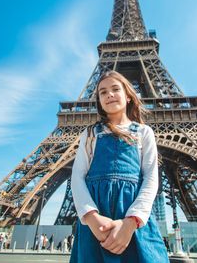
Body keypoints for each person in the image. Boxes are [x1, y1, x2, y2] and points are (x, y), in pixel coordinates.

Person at [70, 71, 169, 262]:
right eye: (103, 92)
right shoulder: (90, 133)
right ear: (99, 100)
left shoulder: (143, 132)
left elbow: (151, 176)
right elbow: (77, 176)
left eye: (116, 89)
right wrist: (91, 217)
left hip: (131, 216)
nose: (109, 94)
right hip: (96, 218)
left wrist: (131, 222)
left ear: (129, 96)